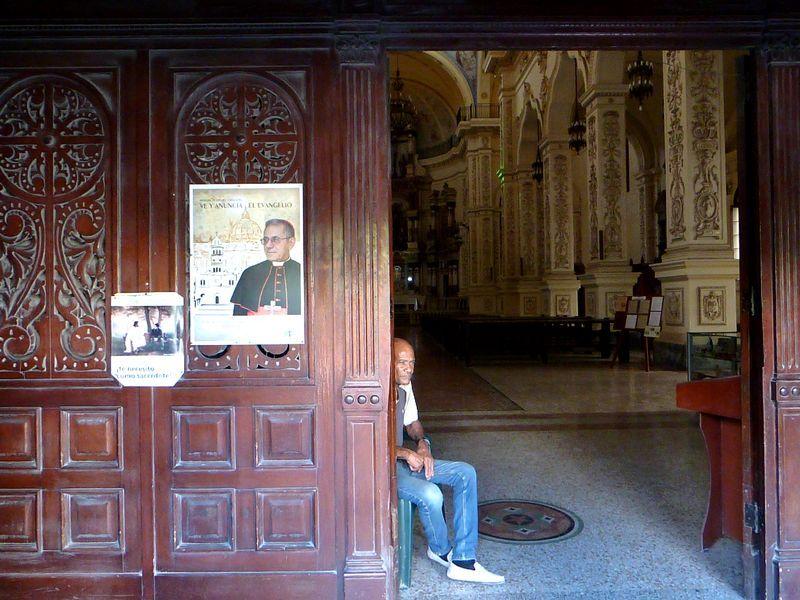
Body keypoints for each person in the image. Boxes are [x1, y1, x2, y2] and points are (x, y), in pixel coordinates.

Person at [394, 337, 505, 584]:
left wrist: (423, 445)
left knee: (465, 472)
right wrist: (404, 453)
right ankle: (441, 549)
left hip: (406, 461)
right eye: (402, 363)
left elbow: (412, 423)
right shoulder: (373, 390)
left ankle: (464, 558)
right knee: (432, 494)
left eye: (412, 363)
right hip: (384, 469)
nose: (409, 369)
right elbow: (365, 442)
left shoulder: (405, 386)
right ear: (387, 362)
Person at [229, 218, 302, 316]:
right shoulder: (250, 273)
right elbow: (238, 318)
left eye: (275, 239)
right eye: (265, 240)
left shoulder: (302, 272)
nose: (268, 245)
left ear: (291, 242)